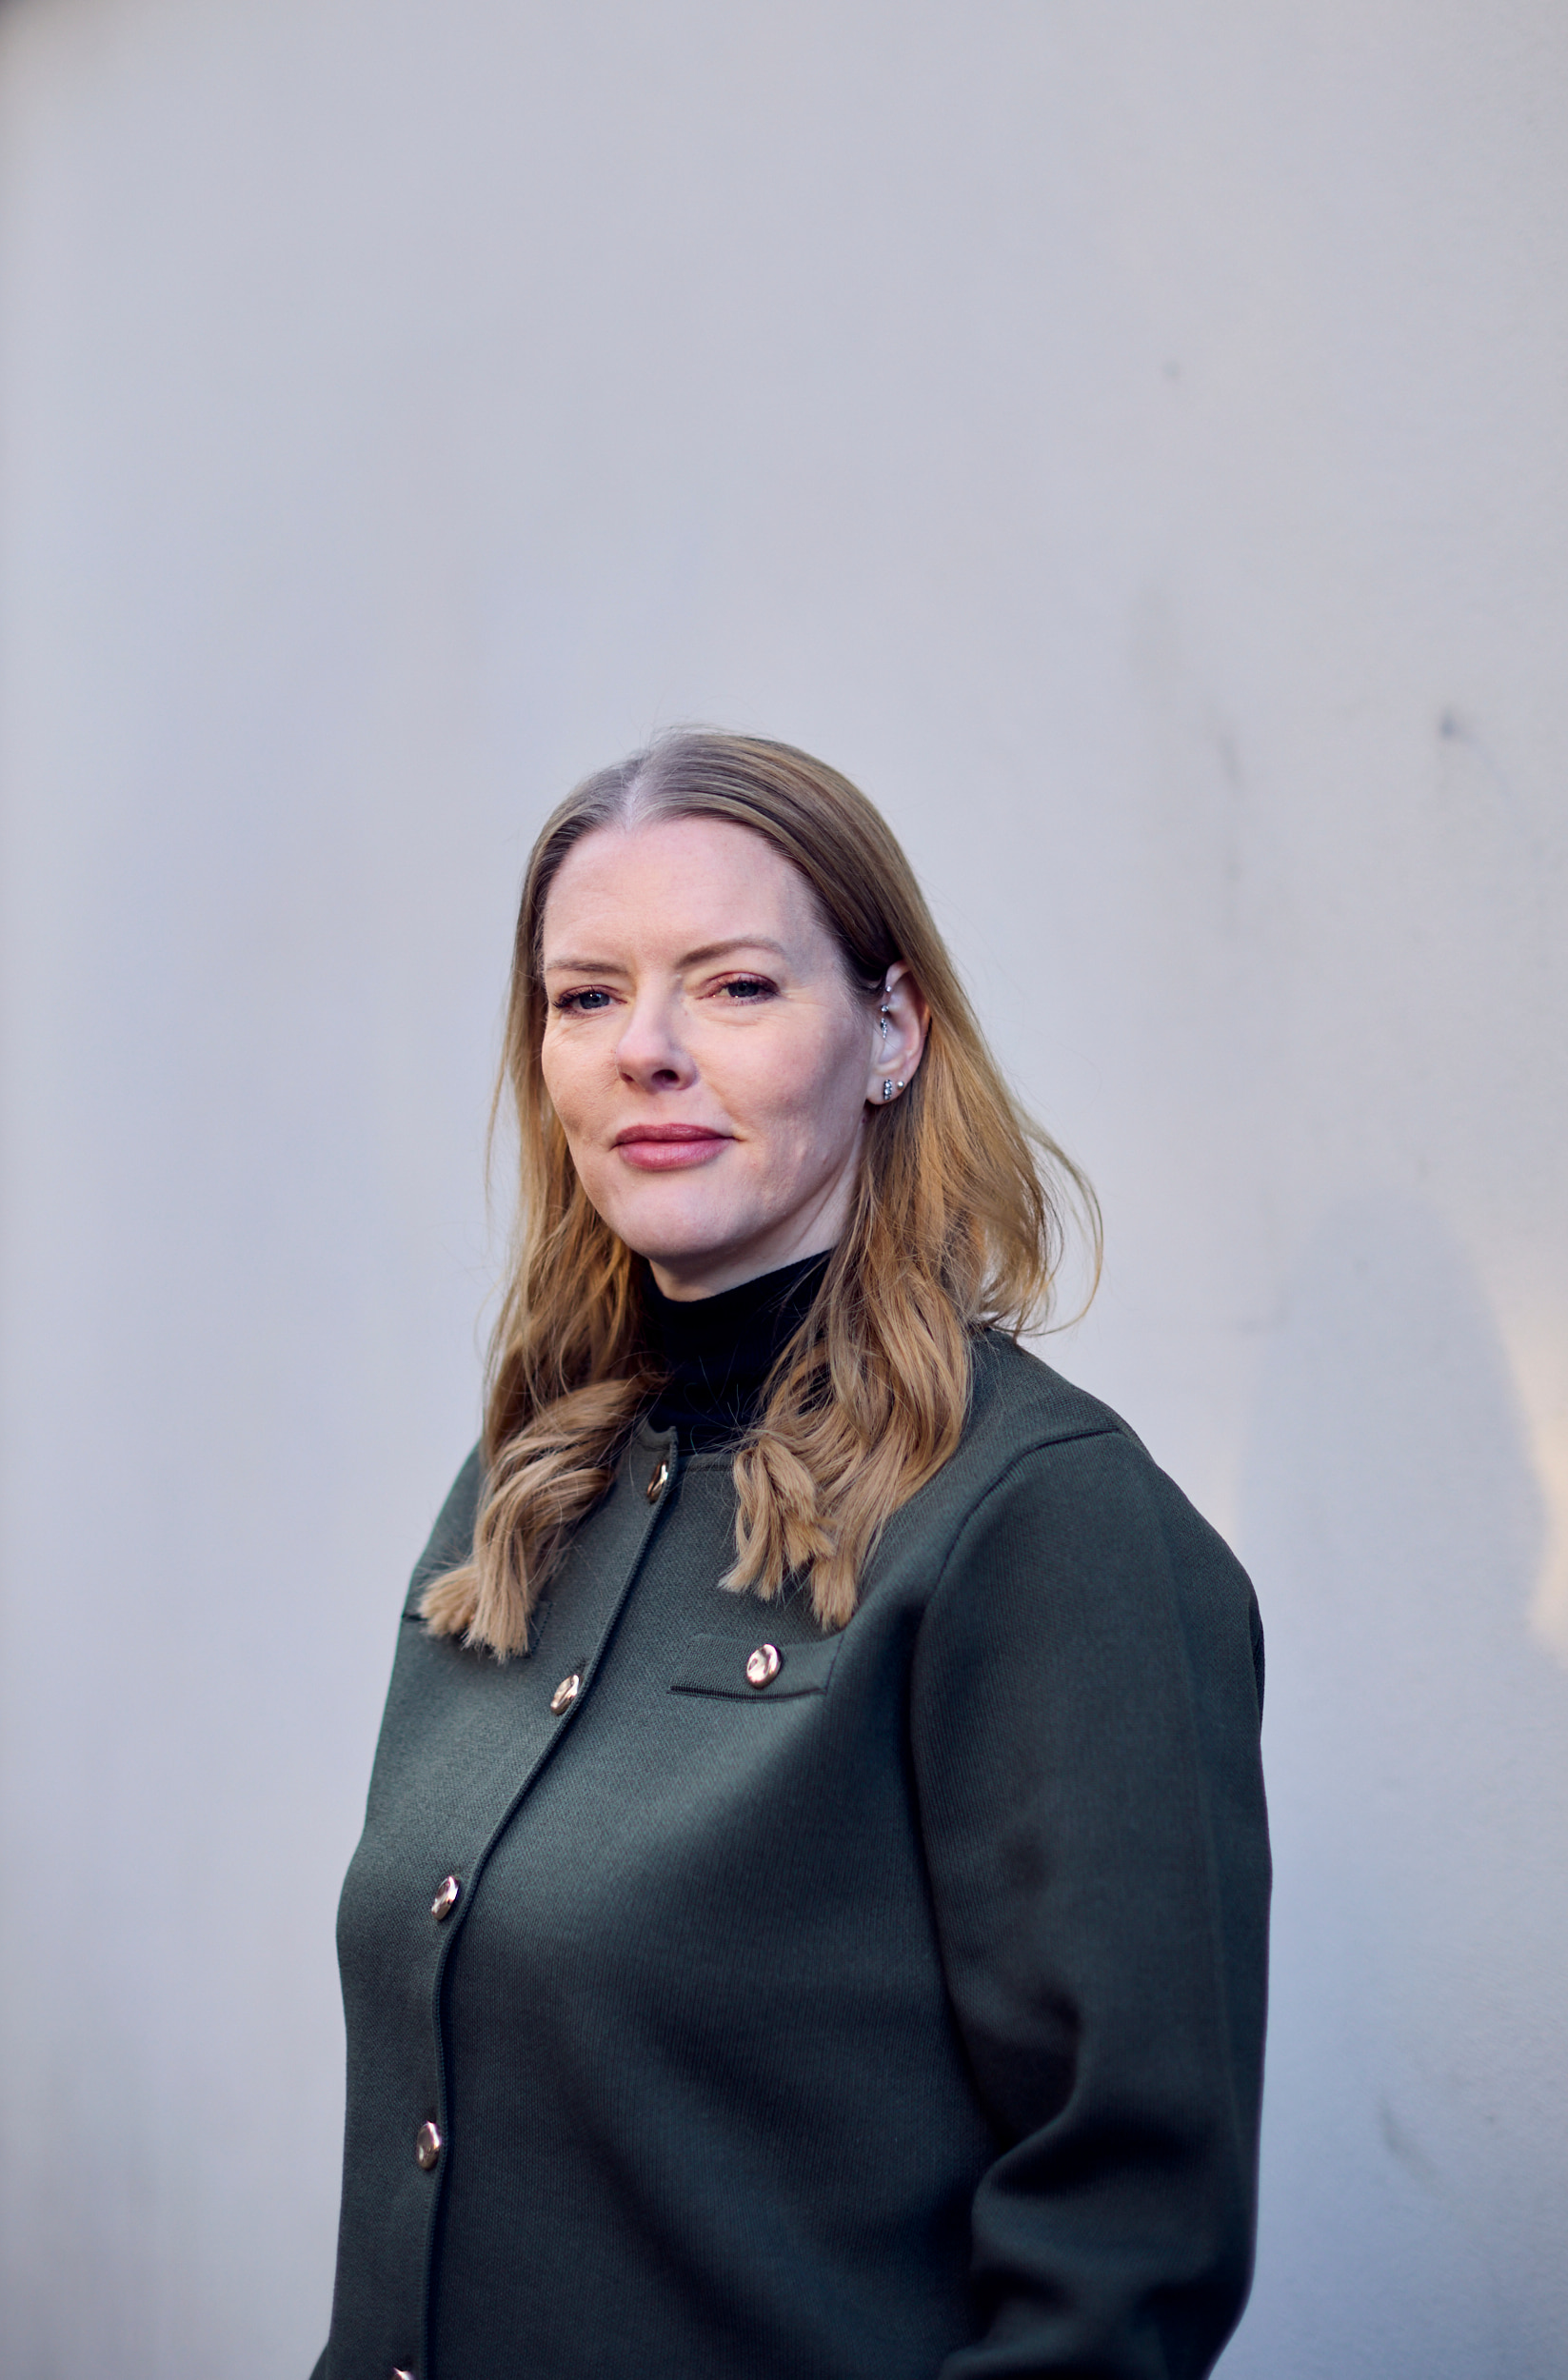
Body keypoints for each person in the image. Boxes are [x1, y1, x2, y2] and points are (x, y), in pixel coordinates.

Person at [311, 731, 1269, 2380]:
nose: (648, 1051)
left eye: (736, 986)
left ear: (890, 1031)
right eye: (587, 996)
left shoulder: (1039, 1519)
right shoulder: (523, 1490)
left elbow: (1125, 2247)